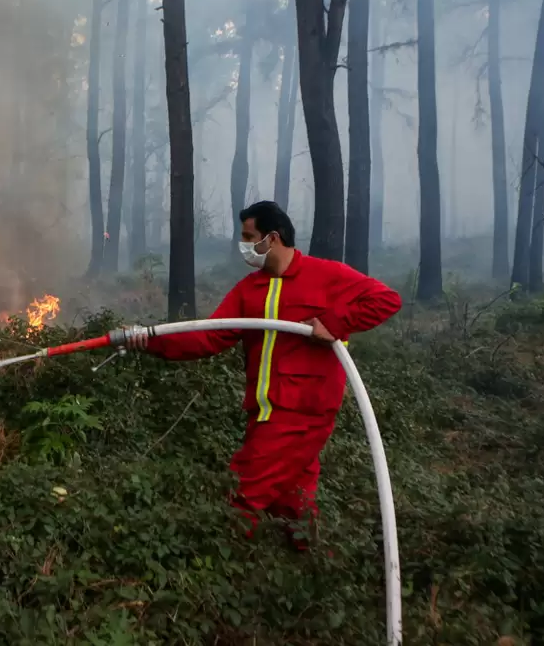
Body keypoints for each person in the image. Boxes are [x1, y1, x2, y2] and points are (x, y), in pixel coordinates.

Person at [124, 201, 402, 550]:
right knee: (294, 503)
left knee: (242, 495)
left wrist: (334, 323)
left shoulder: (326, 276)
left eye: (248, 237)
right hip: (264, 412)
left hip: (300, 414)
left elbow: (386, 299)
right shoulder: (249, 289)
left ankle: (222, 570)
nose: (243, 246)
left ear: (273, 237)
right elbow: (210, 336)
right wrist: (150, 340)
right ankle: (307, 568)